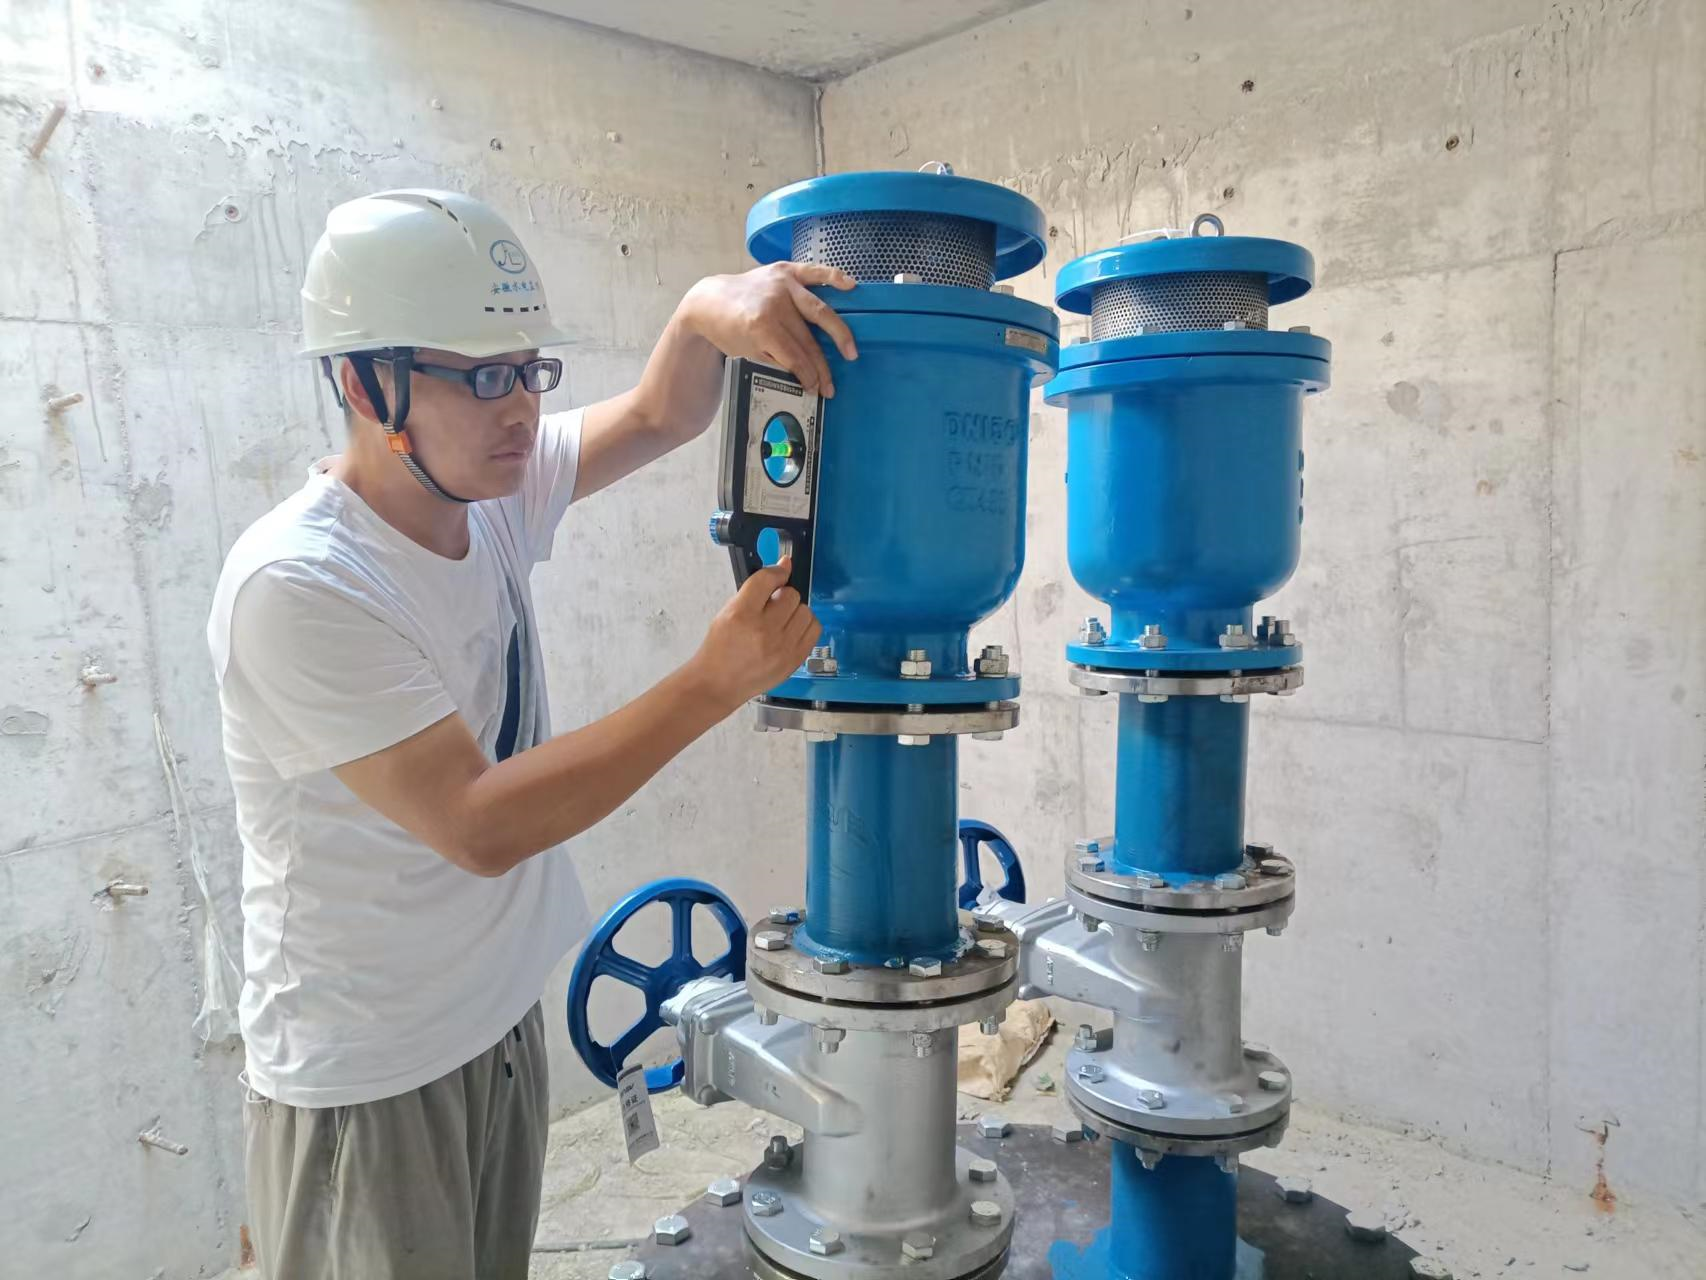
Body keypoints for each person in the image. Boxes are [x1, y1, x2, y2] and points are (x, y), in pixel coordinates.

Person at [205, 188, 856, 1279]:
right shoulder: (302, 583)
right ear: (364, 383)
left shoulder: (486, 486)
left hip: (495, 1023)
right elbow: (477, 824)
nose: (517, 409)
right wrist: (711, 682)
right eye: (479, 376)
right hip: (369, 1069)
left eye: (527, 370)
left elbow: (658, 414)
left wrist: (702, 311)